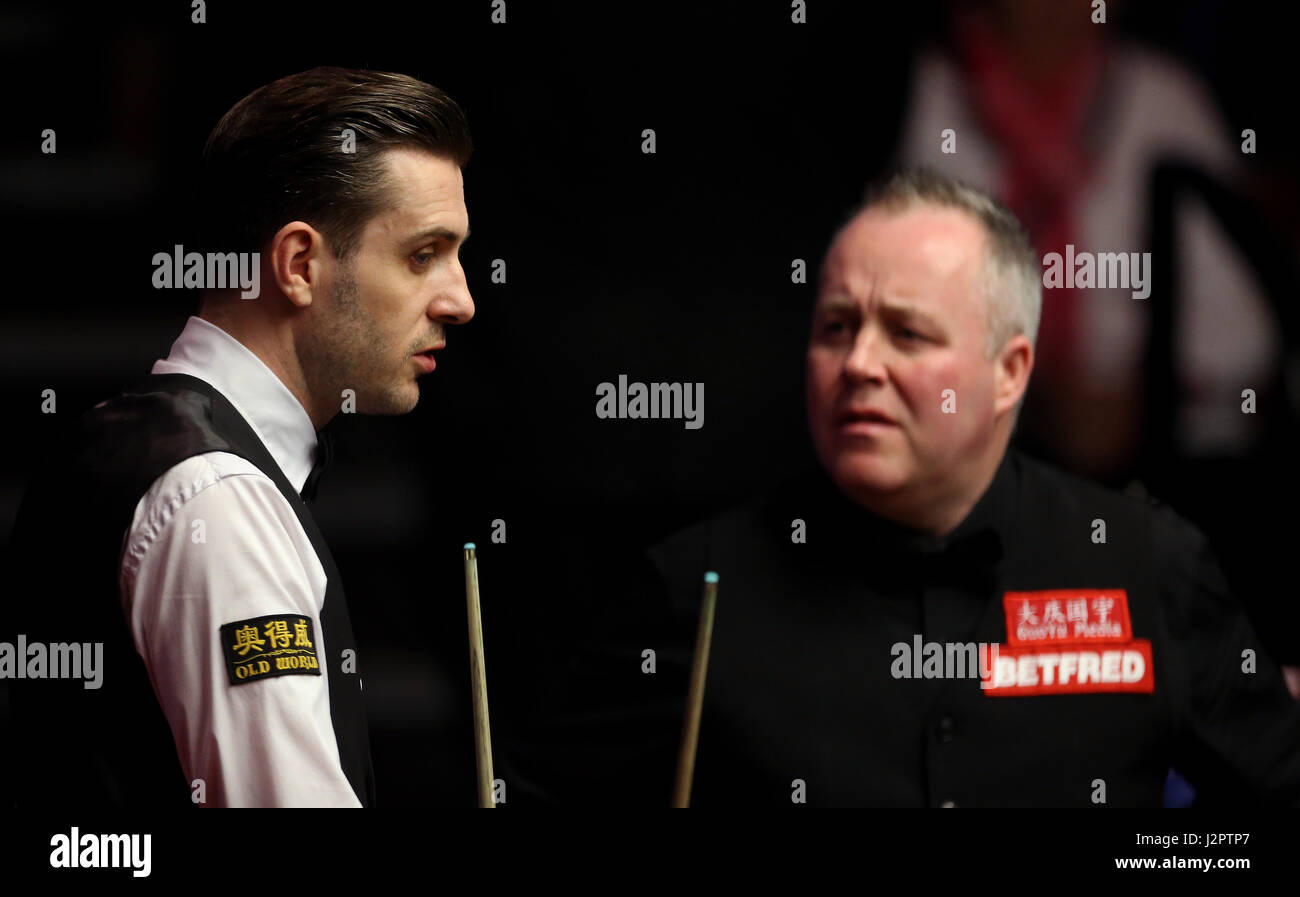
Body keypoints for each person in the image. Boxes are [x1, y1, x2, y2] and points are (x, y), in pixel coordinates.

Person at [505, 168, 1300, 807]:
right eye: (837, 327)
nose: (859, 363)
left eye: (908, 333)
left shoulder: (1145, 566)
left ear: (1009, 372)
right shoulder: (694, 588)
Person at [3, 67, 474, 807]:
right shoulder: (216, 499)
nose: (462, 299)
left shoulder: (134, 440)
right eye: (423, 255)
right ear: (298, 265)